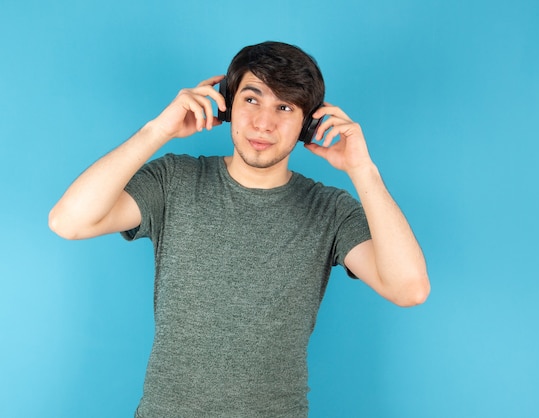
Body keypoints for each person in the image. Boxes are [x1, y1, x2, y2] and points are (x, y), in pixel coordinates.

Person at [49, 41, 430, 417]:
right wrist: (157, 131)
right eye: (252, 100)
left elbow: (409, 289)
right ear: (227, 105)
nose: (264, 123)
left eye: (284, 107)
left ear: (308, 124)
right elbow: (69, 222)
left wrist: (363, 171)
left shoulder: (329, 210)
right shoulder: (174, 179)